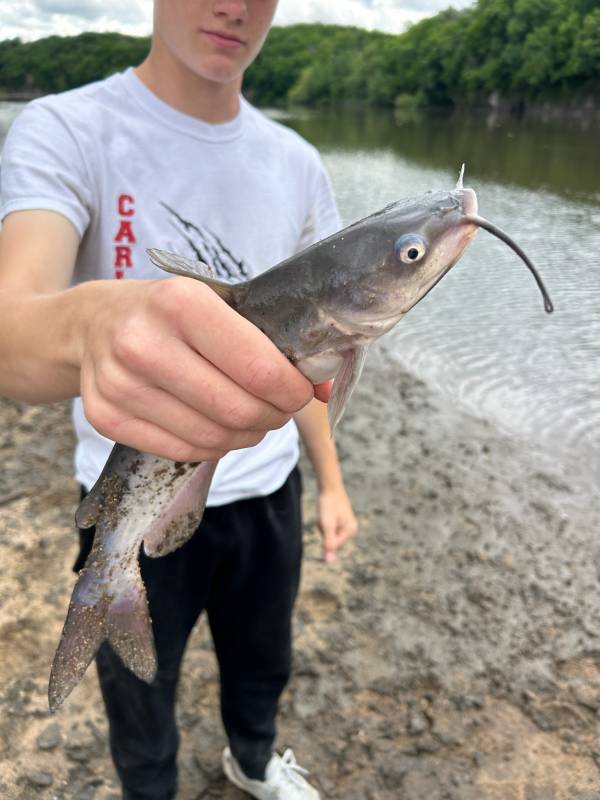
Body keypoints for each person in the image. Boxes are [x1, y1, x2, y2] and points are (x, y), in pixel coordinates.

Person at [0, 1, 358, 798]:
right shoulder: (66, 128)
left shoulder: (297, 162)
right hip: (131, 493)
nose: (234, 6)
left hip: (269, 490)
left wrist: (331, 484)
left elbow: (315, 353)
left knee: (263, 660)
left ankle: (254, 760)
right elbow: (8, 335)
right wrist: (97, 324)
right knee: (138, 699)